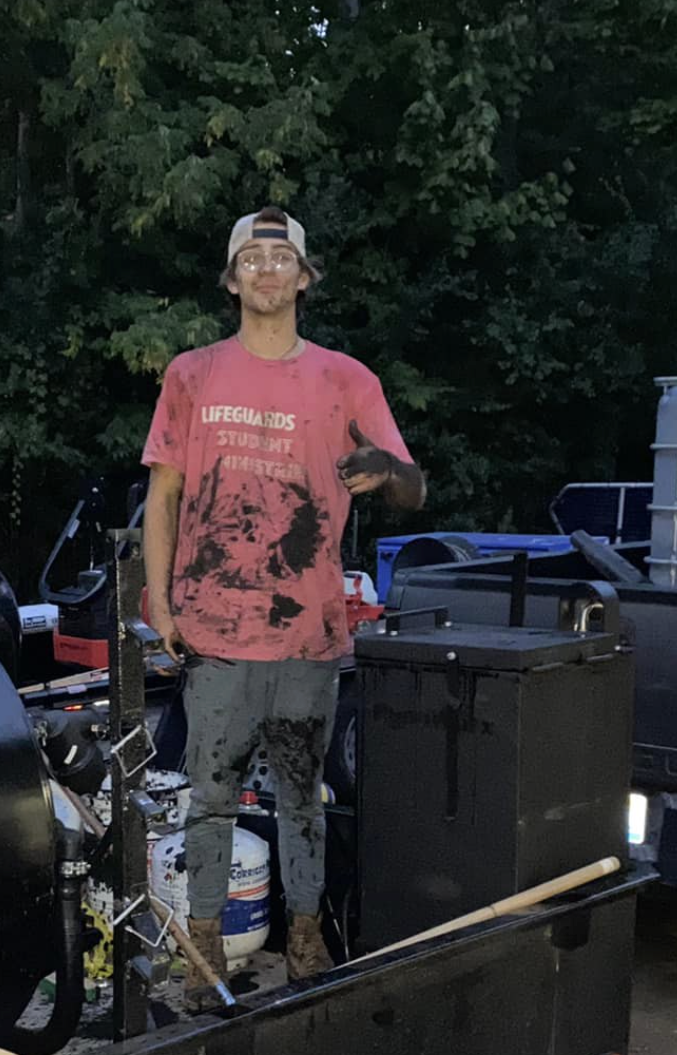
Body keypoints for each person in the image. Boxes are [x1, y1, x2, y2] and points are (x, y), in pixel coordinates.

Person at [141, 206, 426, 1008]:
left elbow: (413, 484)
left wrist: (384, 469)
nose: (267, 271)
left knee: (302, 797)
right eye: (252, 258)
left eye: (282, 257)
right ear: (233, 279)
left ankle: (305, 940)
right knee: (210, 799)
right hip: (215, 637)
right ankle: (204, 953)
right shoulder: (191, 375)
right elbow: (162, 497)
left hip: (306, 636)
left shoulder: (346, 379)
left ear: (305, 277)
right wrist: (161, 606)